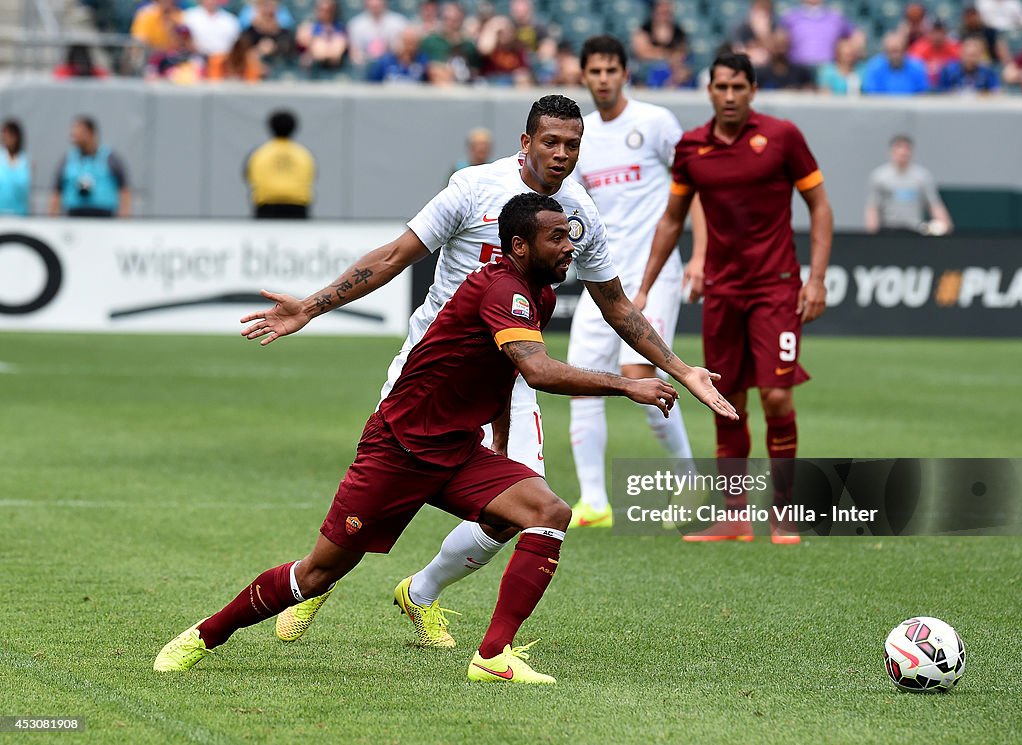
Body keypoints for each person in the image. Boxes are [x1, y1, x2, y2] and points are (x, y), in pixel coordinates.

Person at [237, 94, 736, 649]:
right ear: (526, 143)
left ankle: (421, 593)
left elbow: (615, 304)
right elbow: (396, 255)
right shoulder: (474, 186)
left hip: (516, 374)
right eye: (551, 142)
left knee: (526, 511)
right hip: (431, 374)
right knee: (372, 503)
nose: (562, 154)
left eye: (573, 145)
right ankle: (322, 578)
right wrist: (311, 306)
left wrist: (680, 368)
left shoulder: (579, 213)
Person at [153, 193, 689, 683]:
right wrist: (629, 384)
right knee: (317, 574)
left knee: (547, 511)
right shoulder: (502, 288)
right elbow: (540, 372)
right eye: (558, 236)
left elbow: (502, 374)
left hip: (456, 450)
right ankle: (206, 634)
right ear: (520, 245)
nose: (571, 244)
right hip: (399, 448)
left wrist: (499, 446)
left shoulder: (537, 295)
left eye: (571, 233)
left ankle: (492, 656)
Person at [635, 51, 833, 544]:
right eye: (721, 87)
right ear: (709, 90)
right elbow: (673, 219)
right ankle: (734, 517)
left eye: (738, 87)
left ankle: (785, 512)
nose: (729, 96)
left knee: (777, 396)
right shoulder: (692, 148)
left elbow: (820, 207)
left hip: (776, 287)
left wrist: (817, 279)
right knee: (728, 401)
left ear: (752, 90)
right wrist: (642, 288)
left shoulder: (783, 137)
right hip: (722, 293)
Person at [566, 35, 705, 529]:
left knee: (642, 373)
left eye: (610, 70)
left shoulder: (655, 121)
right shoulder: (581, 137)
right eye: (594, 71)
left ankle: (690, 483)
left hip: (656, 270)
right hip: (601, 275)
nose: (602, 79)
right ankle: (595, 503)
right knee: (581, 378)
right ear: (584, 76)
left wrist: (699, 255)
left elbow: (695, 187)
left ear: (625, 73)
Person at [865, 134, 953, 236]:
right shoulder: (879, 176)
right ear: (891, 151)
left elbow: (934, 203)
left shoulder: (922, 176)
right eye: (899, 148)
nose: (903, 152)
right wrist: (872, 233)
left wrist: (945, 224)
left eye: (907, 148)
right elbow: (873, 206)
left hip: (915, 231)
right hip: (888, 230)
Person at [49, 116, 131, 218]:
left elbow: (124, 190)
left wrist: (124, 218)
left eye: (79, 131)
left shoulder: (110, 158)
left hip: (104, 218)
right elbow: (57, 192)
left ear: (91, 133)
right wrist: (52, 219)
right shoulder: (68, 159)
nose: (74, 135)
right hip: (74, 217)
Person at [244, 110, 316, 218]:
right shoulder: (304, 154)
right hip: (298, 208)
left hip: (266, 207)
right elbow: (312, 176)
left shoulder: (259, 153)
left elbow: (248, 176)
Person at [779, 0, 863, 69]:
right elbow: (779, 40)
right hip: (798, 67)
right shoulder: (790, 17)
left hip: (827, 69)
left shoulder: (835, 17)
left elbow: (856, 36)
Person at [861, 32, 929, 95]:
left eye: (897, 51)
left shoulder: (917, 67)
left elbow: (921, 95)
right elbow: (872, 97)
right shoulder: (874, 68)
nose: (894, 56)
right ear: (885, 52)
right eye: (890, 51)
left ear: (905, 50)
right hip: (882, 107)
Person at [936, 35, 1001, 95]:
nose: (971, 60)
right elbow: (942, 93)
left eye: (974, 55)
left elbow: (995, 92)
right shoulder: (948, 71)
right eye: (969, 55)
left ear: (980, 55)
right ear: (961, 53)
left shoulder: (987, 73)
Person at [0, 119, 31, 216]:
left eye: (9, 134)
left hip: (20, 214)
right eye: (4, 134)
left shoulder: (24, 160)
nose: (6, 138)